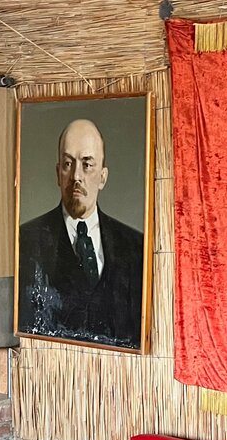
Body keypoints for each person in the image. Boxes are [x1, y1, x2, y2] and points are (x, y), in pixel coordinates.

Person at [19, 119, 144, 347]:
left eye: (87, 165)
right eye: (68, 164)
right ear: (58, 173)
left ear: (103, 177)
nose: (76, 176)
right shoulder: (26, 242)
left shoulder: (135, 247)